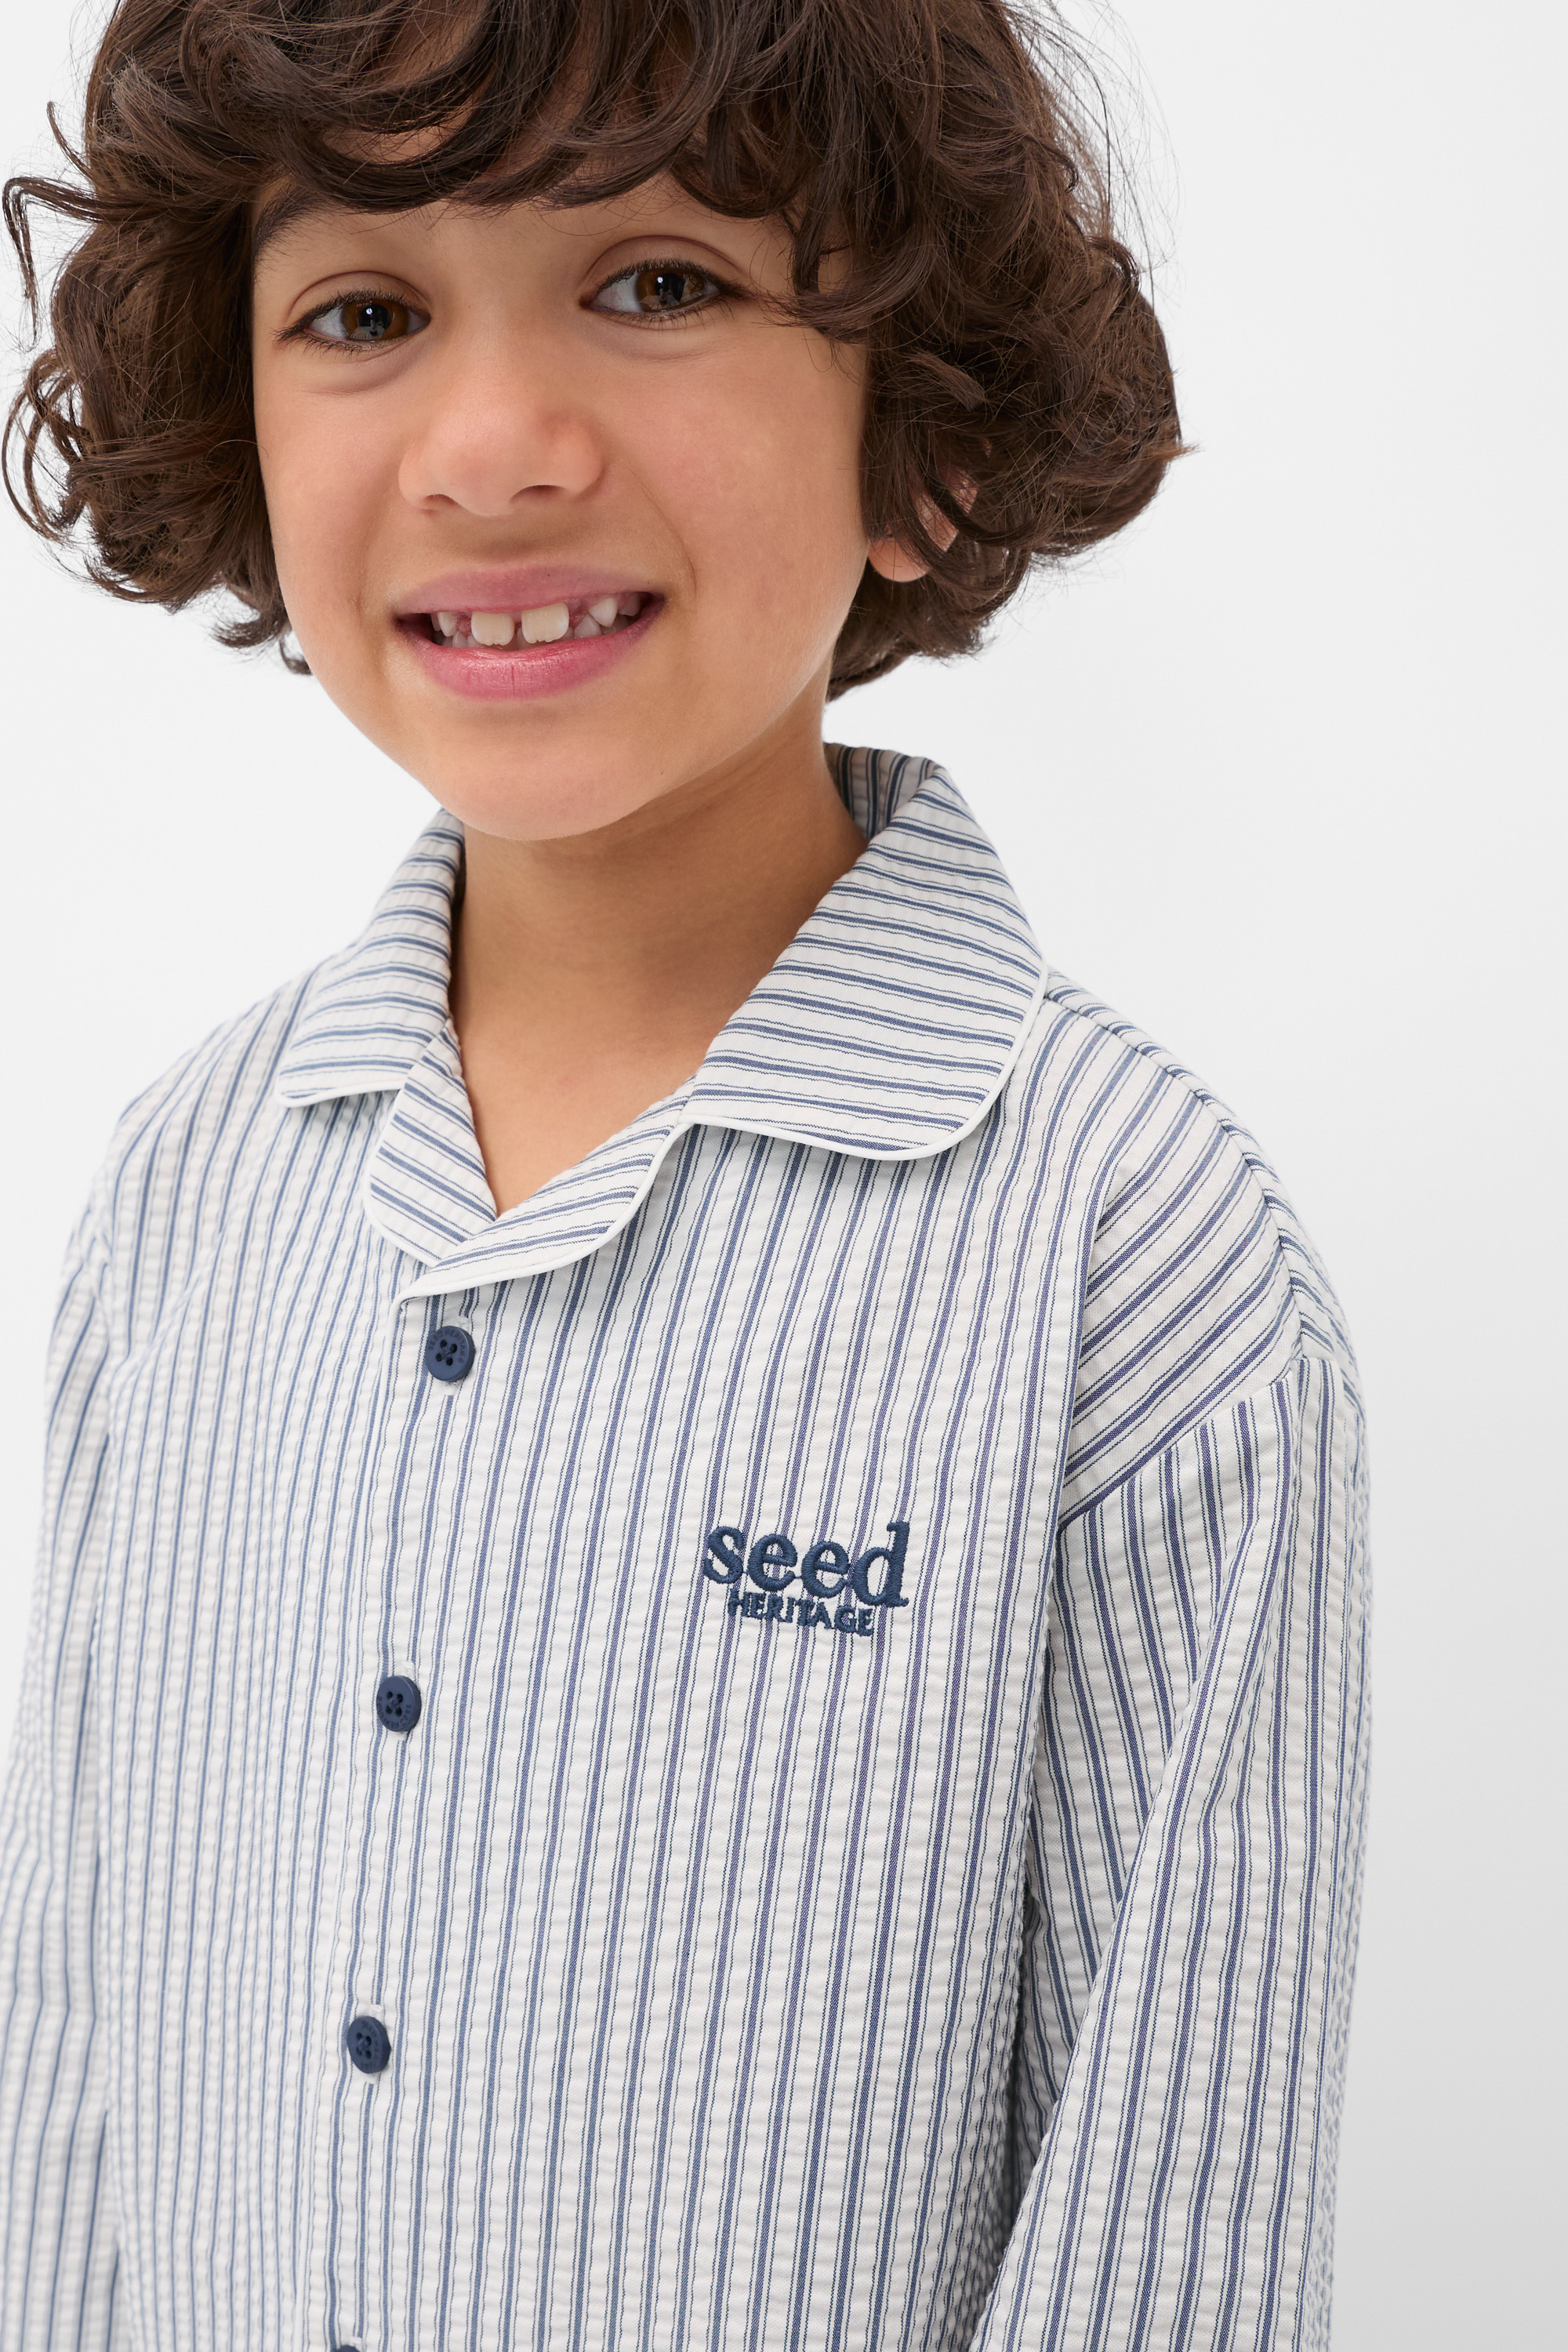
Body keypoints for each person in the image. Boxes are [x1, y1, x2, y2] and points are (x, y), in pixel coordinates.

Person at [0, 2, 1370, 2347]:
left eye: (658, 283)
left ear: (918, 438)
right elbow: (75, 2076)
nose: (493, 449)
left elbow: (1173, 2235)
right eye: (365, 313)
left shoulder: (1136, 1262)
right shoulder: (187, 1197)